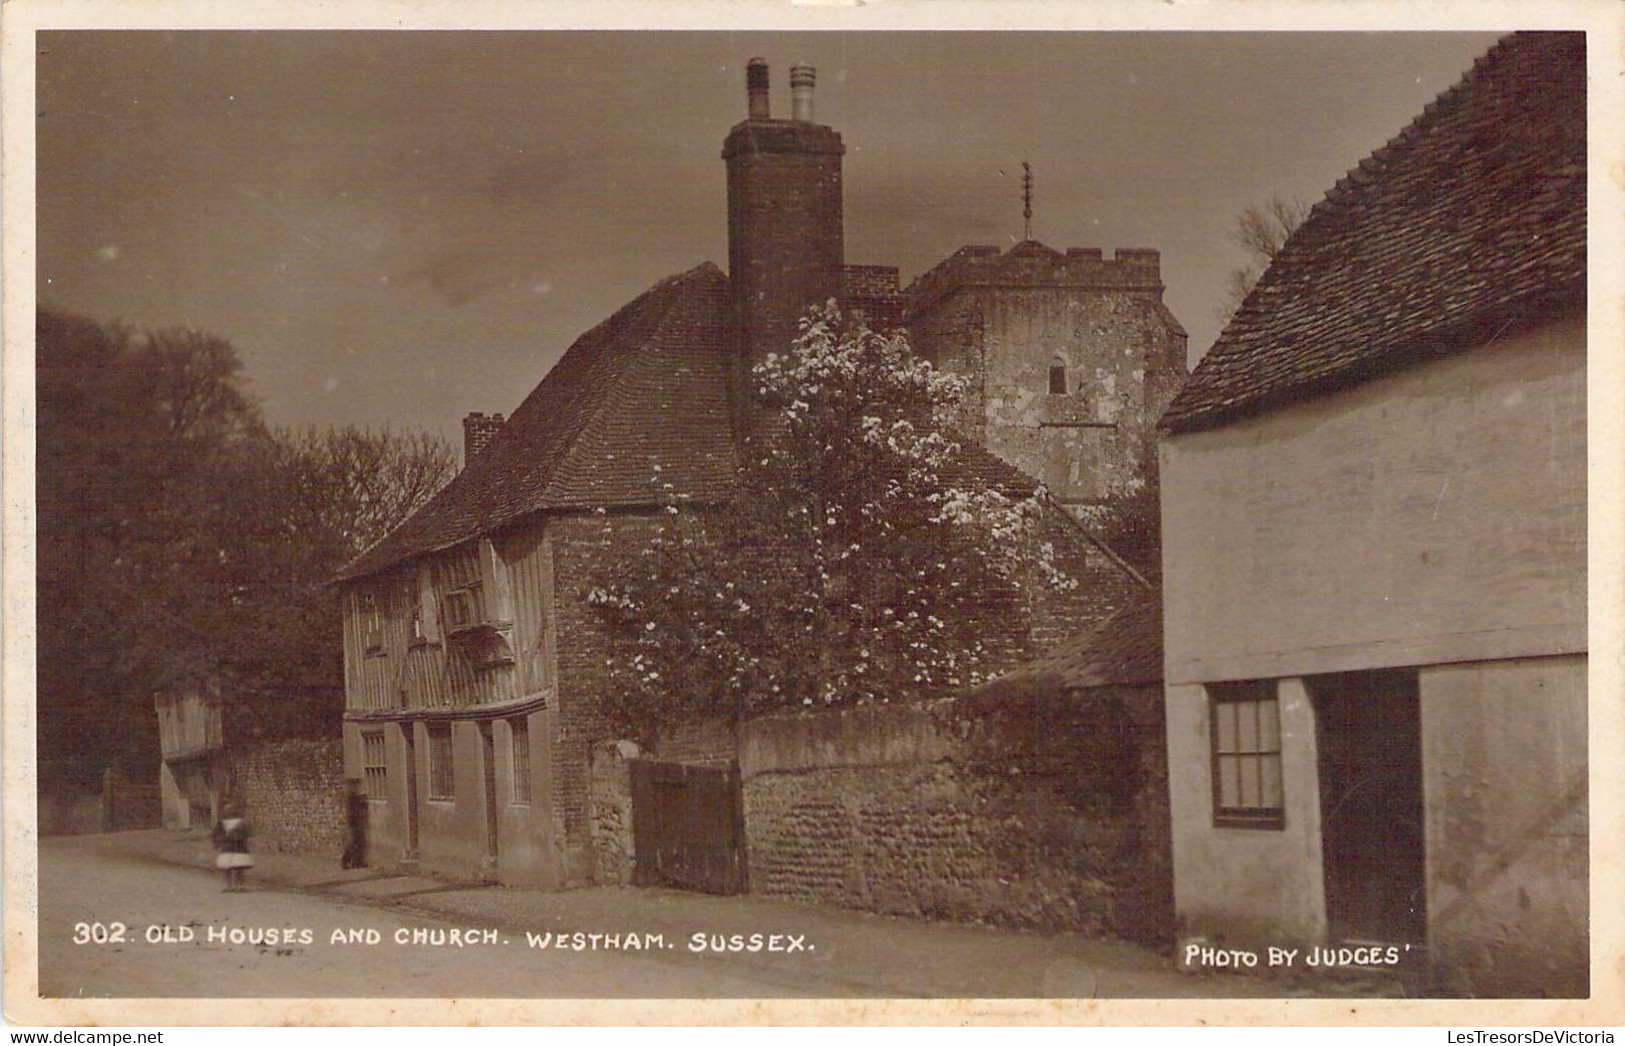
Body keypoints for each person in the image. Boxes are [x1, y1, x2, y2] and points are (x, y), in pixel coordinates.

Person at [212, 800, 254, 892]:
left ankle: (240, 886)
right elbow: (216, 834)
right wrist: (218, 842)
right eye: (227, 810)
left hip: (239, 848)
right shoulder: (221, 823)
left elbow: (246, 834)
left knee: (239, 868)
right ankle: (230, 885)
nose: (229, 812)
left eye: (231, 810)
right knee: (228, 868)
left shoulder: (241, 823)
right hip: (228, 848)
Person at [341, 778, 369, 870]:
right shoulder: (351, 798)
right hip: (354, 822)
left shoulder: (355, 797)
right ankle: (346, 861)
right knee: (353, 842)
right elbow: (351, 812)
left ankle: (357, 862)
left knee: (358, 842)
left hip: (357, 822)